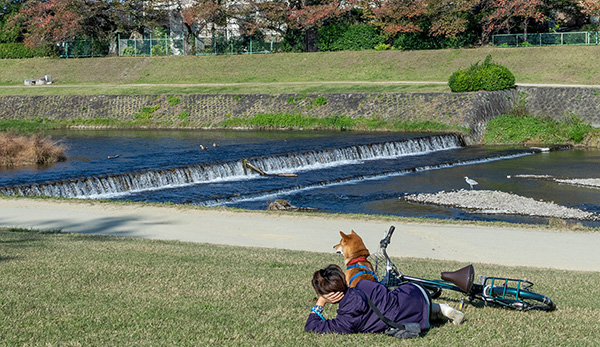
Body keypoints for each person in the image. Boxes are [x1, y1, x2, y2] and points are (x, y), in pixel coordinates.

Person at [305, 264, 464, 336]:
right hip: (416, 293)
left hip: (409, 317)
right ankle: (440, 308)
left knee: (400, 314)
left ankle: (438, 311)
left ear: (328, 294)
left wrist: (320, 302)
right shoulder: (364, 284)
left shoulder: (346, 318)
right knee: (397, 302)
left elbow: (312, 326)